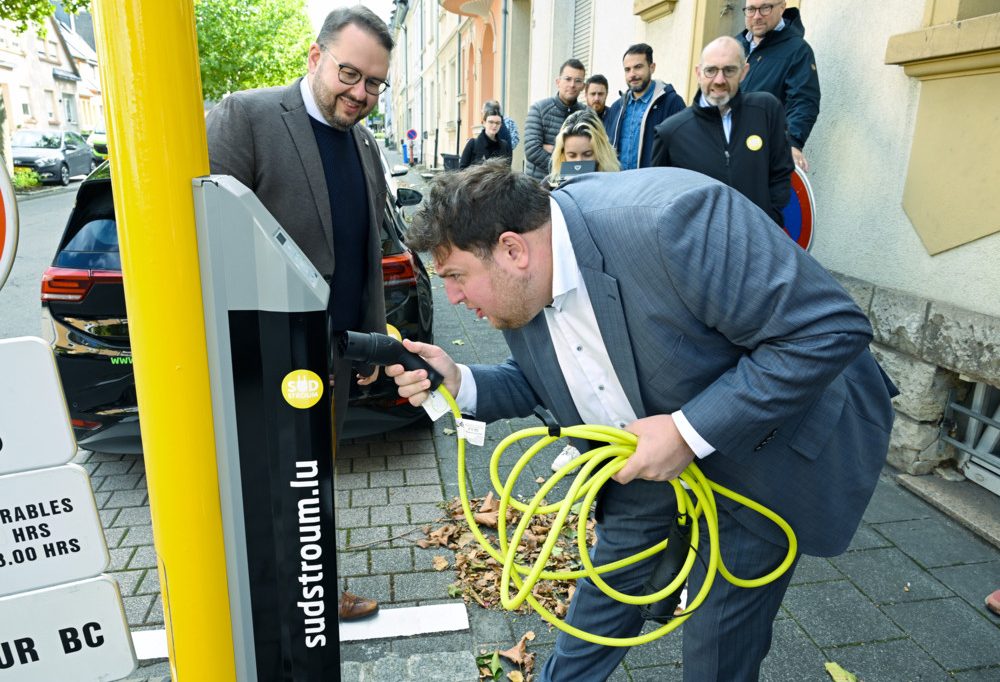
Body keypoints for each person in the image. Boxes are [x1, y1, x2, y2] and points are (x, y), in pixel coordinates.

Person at [386, 161, 897, 681]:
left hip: (765, 449)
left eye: (454, 277)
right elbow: (554, 374)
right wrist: (460, 382)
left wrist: (685, 432)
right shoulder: (524, 284)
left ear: (513, 250)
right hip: (644, 460)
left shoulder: (673, 220)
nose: (451, 298)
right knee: (602, 602)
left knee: (717, 643)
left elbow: (828, 328)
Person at [205, 5, 391, 622]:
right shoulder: (248, 116)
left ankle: (311, 592)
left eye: (374, 84)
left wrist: (367, 340)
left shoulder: (363, 142)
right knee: (268, 481)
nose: (360, 93)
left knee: (314, 485)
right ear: (315, 58)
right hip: (266, 354)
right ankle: (264, 600)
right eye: (349, 74)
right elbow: (208, 238)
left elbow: (365, 246)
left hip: (333, 357)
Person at [652, 36, 793, 226]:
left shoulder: (766, 111)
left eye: (729, 70)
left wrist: (769, 219)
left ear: (744, 72)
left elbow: (781, 171)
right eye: (711, 70)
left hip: (759, 242)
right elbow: (661, 198)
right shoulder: (671, 132)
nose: (719, 80)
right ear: (698, 73)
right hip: (702, 248)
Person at [736, 0, 820, 172]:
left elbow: (803, 102)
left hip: (763, 156)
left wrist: (792, 144)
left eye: (765, 8)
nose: (757, 16)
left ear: (782, 7)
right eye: (751, 9)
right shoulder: (734, 46)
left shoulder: (797, 50)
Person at [604, 43, 685, 170]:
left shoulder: (672, 103)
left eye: (638, 67)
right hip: (619, 185)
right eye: (627, 69)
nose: (632, 74)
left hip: (652, 186)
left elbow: (681, 152)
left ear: (652, 67)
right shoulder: (616, 108)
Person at [523, 59, 587, 180]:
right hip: (539, 186)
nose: (572, 85)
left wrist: (554, 149)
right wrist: (567, 169)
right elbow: (532, 151)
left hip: (573, 187)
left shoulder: (587, 114)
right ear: (558, 82)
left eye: (578, 81)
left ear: (583, 86)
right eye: (567, 79)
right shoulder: (539, 109)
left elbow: (593, 151)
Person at [544, 108, 620, 189]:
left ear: (601, 152)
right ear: (562, 154)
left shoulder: (614, 185)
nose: (579, 161)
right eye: (572, 155)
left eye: (587, 154)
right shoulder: (549, 186)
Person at [460, 104, 512, 169]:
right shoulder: (472, 144)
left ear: (501, 125)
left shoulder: (504, 146)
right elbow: (462, 170)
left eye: (497, 123)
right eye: (491, 122)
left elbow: (508, 171)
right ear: (484, 123)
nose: (494, 125)